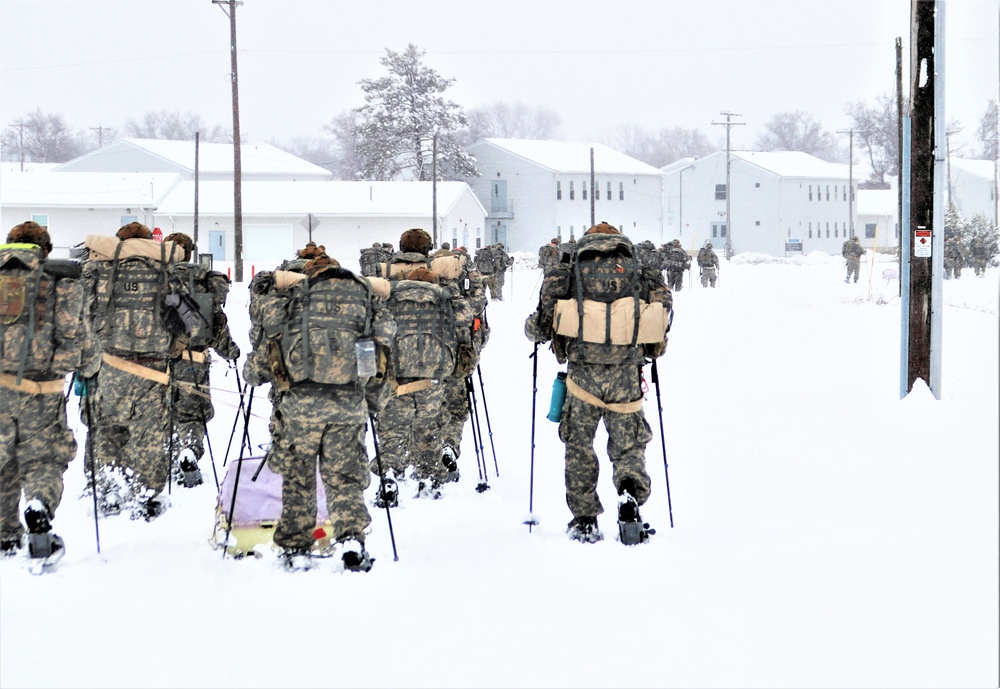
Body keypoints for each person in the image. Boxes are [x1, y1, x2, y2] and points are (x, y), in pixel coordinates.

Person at [524, 222, 672, 545]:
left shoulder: (570, 268)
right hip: (625, 374)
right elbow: (662, 314)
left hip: (583, 376)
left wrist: (532, 331)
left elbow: (543, 322)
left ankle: (585, 520)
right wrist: (651, 350)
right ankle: (629, 495)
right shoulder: (637, 268)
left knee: (579, 446)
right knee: (629, 445)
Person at [250, 249, 396, 572]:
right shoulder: (362, 302)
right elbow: (382, 349)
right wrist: (370, 401)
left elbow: (269, 349)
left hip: (300, 408)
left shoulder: (295, 301)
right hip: (348, 405)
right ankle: (351, 538)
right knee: (344, 478)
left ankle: (295, 546)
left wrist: (252, 372)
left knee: (299, 478)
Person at [0, 222, 101, 569]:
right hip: (41, 391)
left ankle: (5, 535)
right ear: (45, 249)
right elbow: (84, 345)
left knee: (3, 462)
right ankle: (39, 506)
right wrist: (88, 368)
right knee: (42, 460)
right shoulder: (57, 280)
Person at [81, 222, 191, 520]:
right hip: (152, 368)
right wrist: (172, 350)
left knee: (107, 428)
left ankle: (110, 487)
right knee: (149, 432)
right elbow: (185, 321)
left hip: (109, 364)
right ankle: (148, 493)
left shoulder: (98, 270)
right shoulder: (167, 272)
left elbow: (83, 316)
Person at [373, 229, 473, 501]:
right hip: (434, 371)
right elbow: (465, 318)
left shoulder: (386, 283)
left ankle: (391, 472)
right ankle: (429, 478)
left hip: (395, 370)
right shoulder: (442, 286)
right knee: (429, 427)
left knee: (392, 427)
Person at [163, 233, 240, 488]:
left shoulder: (155, 276)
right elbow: (216, 324)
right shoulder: (205, 281)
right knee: (192, 414)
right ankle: (189, 452)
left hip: (156, 362)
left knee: (163, 412)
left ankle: (167, 460)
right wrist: (231, 352)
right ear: (190, 252)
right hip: (194, 361)